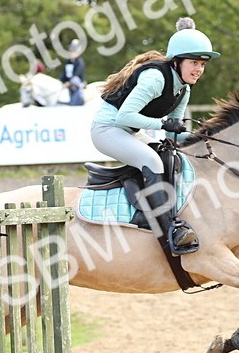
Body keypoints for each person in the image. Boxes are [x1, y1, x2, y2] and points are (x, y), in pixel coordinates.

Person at [91, 16, 217, 255]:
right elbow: (124, 116)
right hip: (107, 130)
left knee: (171, 156)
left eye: (202, 64)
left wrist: (200, 141)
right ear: (177, 61)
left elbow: (173, 130)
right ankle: (168, 227)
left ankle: (160, 210)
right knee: (151, 160)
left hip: (129, 133)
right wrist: (162, 123)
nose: (199, 70)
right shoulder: (156, 78)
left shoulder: (184, 89)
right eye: (193, 62)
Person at [60, 39, 87, 106]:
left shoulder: (80, 62)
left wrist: (69, 83)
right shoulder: (68, 61)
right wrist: (61, 81)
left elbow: (77, 75)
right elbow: (64, 74)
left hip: (76, 85)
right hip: (67, 84)